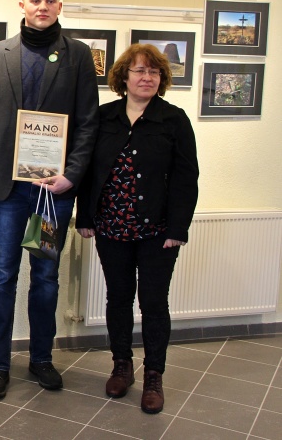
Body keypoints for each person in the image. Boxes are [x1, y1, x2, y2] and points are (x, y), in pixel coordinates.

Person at [0, 0, 99, 399]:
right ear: (21, 6)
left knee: (45, 277)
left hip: (52, 191)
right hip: (5, 190)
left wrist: (72, 176)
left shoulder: (79, 56)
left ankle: (42, 359)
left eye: (50, 0)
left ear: (60, 7)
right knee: (1, 277)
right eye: (35, 0)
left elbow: (86, 125)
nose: (42, 6)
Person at [76, 44, 198, 414]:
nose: (147, 78)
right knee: (118, 298)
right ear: (123, 78)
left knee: (154, 304)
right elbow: (88, 171)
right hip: (111, 227)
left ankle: (154, 376)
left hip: (158, 232)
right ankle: (122, 366)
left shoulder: (173, 119)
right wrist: (85, 217)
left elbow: (185, 177)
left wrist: (178, 227)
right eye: (139, 71)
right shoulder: (104, 117)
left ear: (161, 80)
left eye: (154, 72)